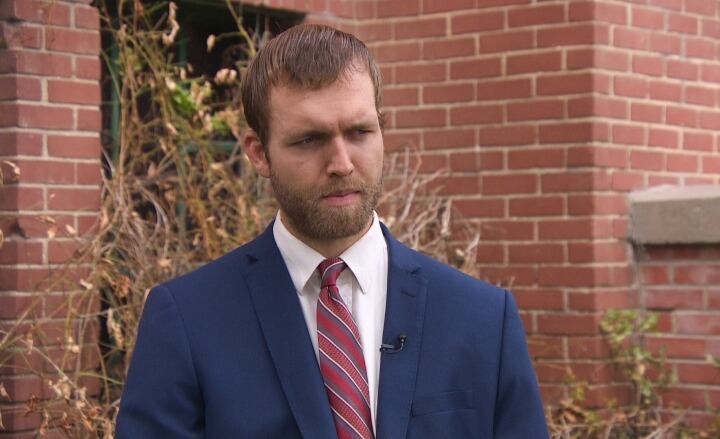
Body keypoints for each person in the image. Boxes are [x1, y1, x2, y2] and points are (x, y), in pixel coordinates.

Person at [116, 24, 548, 438]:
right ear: (258, 153)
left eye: (359, 132)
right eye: (309, 139)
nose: (341, 163)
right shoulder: (187, 321)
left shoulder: (484, 320)